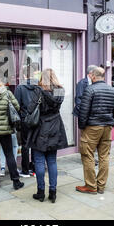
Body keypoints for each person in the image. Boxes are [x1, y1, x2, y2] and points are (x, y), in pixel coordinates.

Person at [76, 67, 114, 194]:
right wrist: (111, 123)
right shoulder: (113, 91)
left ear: (93, 77)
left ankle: (91, 186)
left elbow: (83, 111)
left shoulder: (90, 90)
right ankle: (101, 185)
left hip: (92, 127)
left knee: (87, 155)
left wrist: (82, 127)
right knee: (104, 156)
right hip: (107, 127)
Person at [27, 69, 68, 203]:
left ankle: (40, 192)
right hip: (55, 126)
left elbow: (30, 109)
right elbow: (57, 106)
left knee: (39, 161)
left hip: (40, 128)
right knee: (52, 161)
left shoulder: (38, 91)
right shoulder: (60, 90)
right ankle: (53, 192)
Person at [14, 62, 41, 177]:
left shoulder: (20, 87)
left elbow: (16, 105)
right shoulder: (38, 86)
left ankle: (25, 170)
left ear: (24, 76)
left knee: (25, 145)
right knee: (34, 144)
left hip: (25, 120)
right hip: (36, 119)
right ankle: (34, 169)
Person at [73, 65, 99, 166]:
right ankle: (87, 158)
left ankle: (91, 157)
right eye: (95, 73)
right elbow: (78, 100)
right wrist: (84, 114)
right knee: (85, 138)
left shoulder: (96, 82)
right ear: (90, 73)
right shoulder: (81, 83)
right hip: (84, 115)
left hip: (93, 116)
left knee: (92, 139)